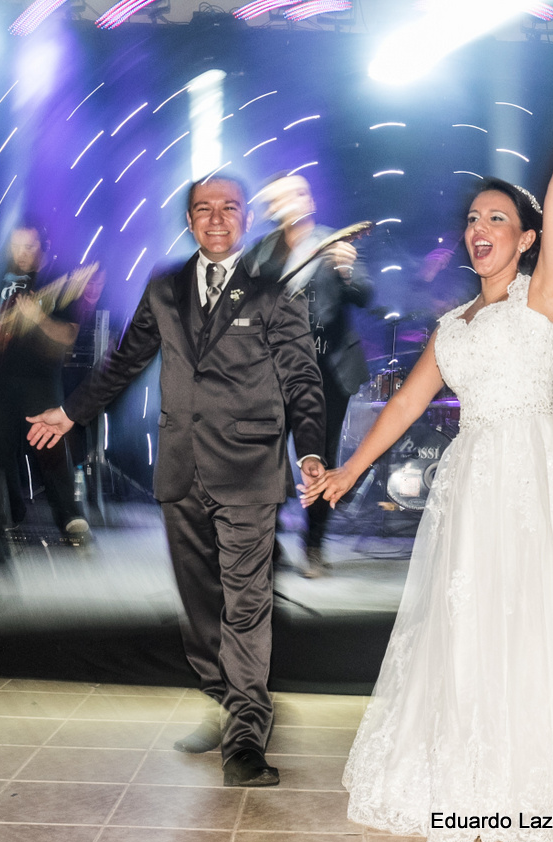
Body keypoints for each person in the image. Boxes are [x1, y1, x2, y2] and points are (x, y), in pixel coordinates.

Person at [304, 46, 553, 842]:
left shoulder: (544, 298)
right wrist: (349, 469)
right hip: (474, 482)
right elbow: (405, 404)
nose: (479, 230)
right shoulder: (452, 326)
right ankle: (477, 776)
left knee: (543, 621)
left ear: (528, 238)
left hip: (541, 473)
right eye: (472, 220)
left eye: (496, 219)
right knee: (475, 625)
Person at [25, 175, 327, 788]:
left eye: (229, 209)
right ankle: (226, 700)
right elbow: (124, 361)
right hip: (181, 470)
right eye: (203, 209)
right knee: (200, 612)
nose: (217, 219)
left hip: (248, 470)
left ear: (245, 219)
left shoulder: (274, 293)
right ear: (189, 220)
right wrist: (71, 411)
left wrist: (312, 453)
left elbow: (303, 380)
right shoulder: (164, 287)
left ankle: (246, 734)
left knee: (246, 607)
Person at [260, 173, 373, 578]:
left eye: (299, 194)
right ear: (272, 206)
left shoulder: (333, 242)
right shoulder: (263, 253)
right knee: (265, 458)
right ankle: (267, 547)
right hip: (276, 371)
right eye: (282, 196)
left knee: (320, 461)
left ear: (308, 201)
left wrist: (346, 271)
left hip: (328, 371)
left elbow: (365, 294)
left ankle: (313, 547)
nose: (291, 201)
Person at [0, 219, 89, 540]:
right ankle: (10, 512)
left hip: (37, 381)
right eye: (15, 246)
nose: (21, 254)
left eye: (29, 246)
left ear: (44, 246)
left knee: (51, 447)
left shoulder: (58, 281)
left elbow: (67, 338)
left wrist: (38, 319)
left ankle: (70, 517)